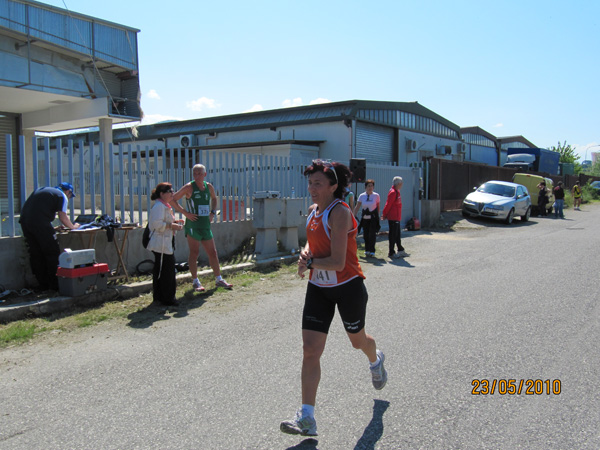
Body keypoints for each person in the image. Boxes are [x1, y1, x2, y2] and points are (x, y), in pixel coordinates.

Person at [280, 160, 387, 437]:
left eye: (318, 183)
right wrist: (306, 254)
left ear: (333, 186)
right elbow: (312, 242)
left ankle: (375, 359)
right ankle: (307, 417)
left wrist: (312, 262)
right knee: (310, 349)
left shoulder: (339, 213)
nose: (312, 188)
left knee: (357, 342)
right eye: (310, 183)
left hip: (348, 285)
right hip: (319, 287)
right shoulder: (314, 212)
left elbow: (339, 262)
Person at [171, 164, 233, 292]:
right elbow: (172, 199)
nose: (197, 175)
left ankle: (219, 279)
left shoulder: (208, 186)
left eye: (199, 173)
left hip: (205, 225)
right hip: (193, 225)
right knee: (194, 253)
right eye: (195, 173)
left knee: (213, 252)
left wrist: (212, 212)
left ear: (205, 174)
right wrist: (185, 213)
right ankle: (195, 281)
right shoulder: (189, 187)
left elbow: (214, 199)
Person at [19, 182, 80, 291]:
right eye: (70, 196)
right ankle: (54, 285)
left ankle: (42, 285)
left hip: (25, 222)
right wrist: (73, 227)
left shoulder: (44, 191)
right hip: (40, 224)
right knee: (52, 252)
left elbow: (39, 212)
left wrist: (52, 229)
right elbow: (63, 217)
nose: (69, 198)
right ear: (68, 192)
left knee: (36, 253)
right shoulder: (62, 196)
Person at [147, 182, 184, 306]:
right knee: (167, 271)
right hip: (161, 243)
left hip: (165, 242)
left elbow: (164, 221)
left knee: (162, 269)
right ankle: (167, 298)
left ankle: (160, 296)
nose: (172, 193)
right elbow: (156, 225)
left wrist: (175, 221)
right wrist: (171, 225)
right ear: (162, 194)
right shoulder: (159, 206)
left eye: (172, 191)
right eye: (170, 191)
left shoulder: (164, 206)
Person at [382, 176, 409, 259]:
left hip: (397, 217)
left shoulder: (397, 191)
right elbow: (388, 204)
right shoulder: (393, 192)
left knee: (397, 234)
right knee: (393, 235)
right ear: (398, 184)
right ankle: (391, 252)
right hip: (393, 217)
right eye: (401, 183)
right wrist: (384, 214)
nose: (402, 185)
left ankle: (400, 249)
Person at [354, 180, 380, 257]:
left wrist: (377, 217)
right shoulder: (362, 196)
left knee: (372, 234)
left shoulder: (376, 195)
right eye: (369, 186)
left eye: (372, 186)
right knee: (366, 234)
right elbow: (357, 206)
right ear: (365, 187)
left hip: (373, 218)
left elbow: (378, 206)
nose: (370, 188)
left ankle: (372, 250)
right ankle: (367, 249)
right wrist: (353, 216)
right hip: (365, 218)